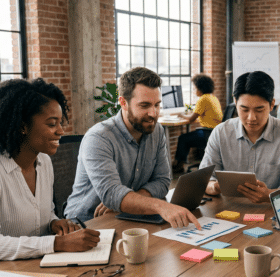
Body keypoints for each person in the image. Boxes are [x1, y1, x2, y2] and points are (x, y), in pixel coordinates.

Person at [0, 78, 100, 262]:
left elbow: (44, 213)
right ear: (22, 127)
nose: (60, 131)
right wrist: (57, 243)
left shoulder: (43, 161)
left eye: (60, 123)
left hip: (31, 264)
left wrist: (53, 223)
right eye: (52, 124)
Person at [64, 67, 201, 229]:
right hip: (86, 223)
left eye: (157, 105)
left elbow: (163, 181)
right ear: (123, 103)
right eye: (144, 105)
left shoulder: (156, 130)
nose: (153, 113)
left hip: (129, 216)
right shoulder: (99, 137)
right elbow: (112, 194)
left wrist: (129, 200)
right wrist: (160, 206)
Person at [199, 71, 280, 203]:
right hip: (228, 210)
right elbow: (204, 180)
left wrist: (269, 195)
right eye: (244, 109)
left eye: (259, 110)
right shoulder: (221, 132)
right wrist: (214, 187)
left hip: (272, 212)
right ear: (235, 102)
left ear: (272, 104)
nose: (251, 118)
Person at [172, 74, 222, 173]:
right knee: (186, 137)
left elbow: (191, 119)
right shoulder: (212, 98)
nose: (195, 91)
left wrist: (181, 115)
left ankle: (178, 165)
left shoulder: (203, 99)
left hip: (207, 134)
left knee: (183, 138)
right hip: (215, 132)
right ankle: (179, 164)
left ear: (200, 88)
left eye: (195, 88)